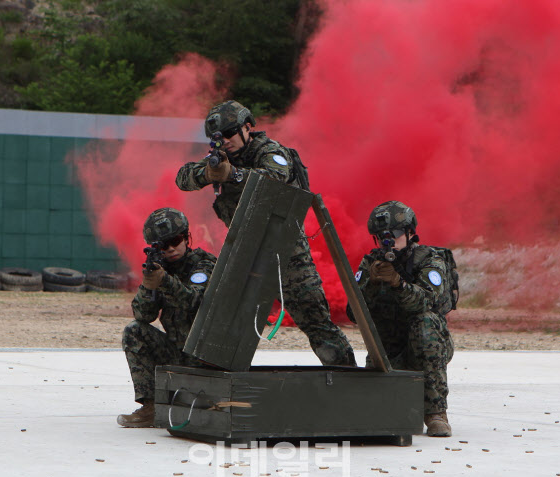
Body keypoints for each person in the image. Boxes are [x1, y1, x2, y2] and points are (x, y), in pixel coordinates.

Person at [176, 100, 356, 367]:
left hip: (287, 253)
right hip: (247, 252)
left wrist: (232, 175)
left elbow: (274, 176)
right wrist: (209, 172)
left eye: (229, 133)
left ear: (247, 127)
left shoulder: (270, 151)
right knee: (225, 322)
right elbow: (183, 178)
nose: (224, 141)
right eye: (218, 138)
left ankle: (346, 378)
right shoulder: (223, 159)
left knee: (315, 322)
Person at [347, 201, 455, 437]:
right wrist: (371, 284)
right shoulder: (370, 264)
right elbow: (353, 314)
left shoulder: (430, 260)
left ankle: (436, 412)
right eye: (382, 236)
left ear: (409, 233)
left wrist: (399, 283)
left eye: (395, 234)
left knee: (426, 322)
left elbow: (427, 302)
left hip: (425, 349)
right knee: (378, 417)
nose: (390, 241)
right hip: (387, 352)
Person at [117, 208, 217, 428]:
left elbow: (194, 301)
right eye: (164, 246)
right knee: (134, 331)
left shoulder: (203, 265)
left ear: (186, 237)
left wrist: (165, 281)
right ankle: (150, 408)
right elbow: (144, 315)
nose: (171, 249)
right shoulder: (163, 270)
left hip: (205, 356)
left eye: (175, 240)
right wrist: (148, 286)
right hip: (177, 353)